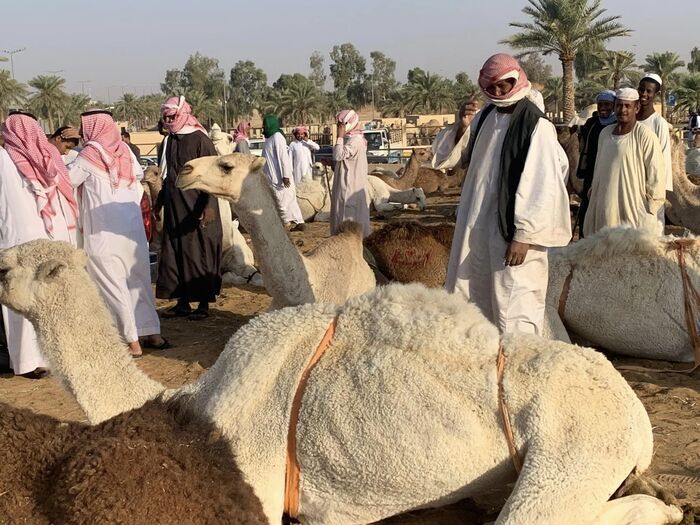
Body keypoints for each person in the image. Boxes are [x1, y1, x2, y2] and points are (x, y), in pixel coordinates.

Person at [445, 54, 571, 336]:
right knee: (474, 297)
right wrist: (462, 127)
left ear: (517, 78)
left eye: (505, 85)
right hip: (477, 228)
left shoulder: (536, 125)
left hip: (512, 235)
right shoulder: (485, 117)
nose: (500, 92)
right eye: (494, 88)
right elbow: (455, 158)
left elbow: (543, 184)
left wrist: (523, 236)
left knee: (514, 304)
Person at [69, 110, 168, 357]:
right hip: (131, 231)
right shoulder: (124, 151)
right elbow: (136, 174)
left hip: (104, 232)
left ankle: (131, 341)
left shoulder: (90, 153)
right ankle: (152, 333)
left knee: (112, 285)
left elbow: (68, 179)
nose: (82, 133)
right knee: (138, 282)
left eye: (84, 127)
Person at [0, 110, 79, 378]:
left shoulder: (23, 159)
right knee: (29, 298)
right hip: (31, 240)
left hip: (24, 241)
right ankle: (32, 360)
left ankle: (33, 359)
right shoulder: (41, 158)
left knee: (28, 298)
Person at [156, 96, 222, 320]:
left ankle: (203, 304)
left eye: (171, 116)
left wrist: (209, 205)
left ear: (182, 113)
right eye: (165, 116)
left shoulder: (200, 139)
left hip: (197, 205)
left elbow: (213, 175)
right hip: (175, 205)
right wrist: (159, 202)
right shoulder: (170, 141)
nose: (168, 120)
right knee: (176, 252)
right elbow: (169, 175)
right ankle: (182, 302)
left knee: (199, 252)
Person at [583, 88, 666, 237]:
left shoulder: (645, 135)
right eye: (619, 105)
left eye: (628, 106)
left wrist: (651, 208)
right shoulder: (605, 134)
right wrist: (593, 192)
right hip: (604, 205)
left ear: (637, 108)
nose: (623, 110)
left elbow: (657, 175)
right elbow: (598, 169)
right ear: (615, 107)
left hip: (632, 209)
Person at [575, 90, 617, 236]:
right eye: (600, 104)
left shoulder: (618, 125)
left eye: (607, 104)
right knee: (587, 213)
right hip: (591, 174)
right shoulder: (591, 124)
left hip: (609, 174)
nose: (603, 108)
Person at [637, 73, 673, 231]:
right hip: (631, 185)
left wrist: (656, 193)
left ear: (655, 94)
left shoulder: (659, 123)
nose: (644, 94)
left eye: (648, 91)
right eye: (641, 89)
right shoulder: (629, 120)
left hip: (651, 190)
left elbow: (663, 161)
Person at [261, 114, 305, 229]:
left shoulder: (277, 137)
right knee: (288, 201)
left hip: (280, 178)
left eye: (265, 125)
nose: (263, 128)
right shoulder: (268, 139)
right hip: (272, 177)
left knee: (282, 202)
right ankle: (299, 222)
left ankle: (285, 223)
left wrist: (285, 175)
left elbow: (283, 157)